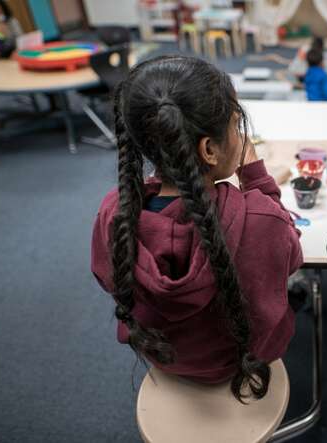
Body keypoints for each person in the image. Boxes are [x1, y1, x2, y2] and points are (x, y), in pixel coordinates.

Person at [91, 56, 303, 401]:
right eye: (236, 126)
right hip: (240, 362)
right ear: (209, 149)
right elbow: (291, 257)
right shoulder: (261, 218)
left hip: (165, 357)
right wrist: (258, 182)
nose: (240, 133)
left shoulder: (112, 214)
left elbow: (107, 277)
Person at [0, 0, 22, 128]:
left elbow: (20, 39)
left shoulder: (11, 21)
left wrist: (19, 50)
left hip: (13, 56)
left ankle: (54, 104)